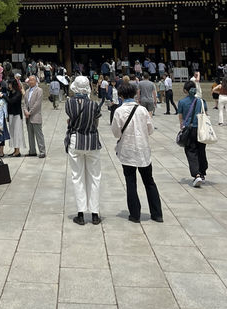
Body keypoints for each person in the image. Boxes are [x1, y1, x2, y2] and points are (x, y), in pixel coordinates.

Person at [111, 81, 163, 223]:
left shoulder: (119, 111)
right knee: (149, 182)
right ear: (134, 94)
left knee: (131, 182)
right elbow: (150, 129)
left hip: (127, 151)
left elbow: (116, 133)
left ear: (120, 95)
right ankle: (157, 214)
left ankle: (135, 214)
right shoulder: (142, 110)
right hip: (143, 150)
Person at [64, 75, 102, 225]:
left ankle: (80, 213)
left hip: (75, 140)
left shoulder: (69, 103)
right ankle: (94, 214)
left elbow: (71, 119)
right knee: (94, 177)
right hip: (92, 141)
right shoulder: (94, 105)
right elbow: (96, 123)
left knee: (77, 176)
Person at [177, 80, 208, 187]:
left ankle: (197, 174)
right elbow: (206, 114)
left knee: (191, 151)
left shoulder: (182, 102)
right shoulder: (201, 101)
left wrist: (182, 127)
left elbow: (181, 117)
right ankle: (202, 172)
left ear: (185, 90)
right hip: (201, 129)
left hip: (189, 130)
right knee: (201, 150)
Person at [23, 74, 46, 158]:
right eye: (29, 80)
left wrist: (30, 112)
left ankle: (42, 151)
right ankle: (32, 151)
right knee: (30, 135)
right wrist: (25, 111)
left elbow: (37, 104)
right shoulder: (27, 91)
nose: (30, 81)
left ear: (36, 81)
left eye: (32, 80)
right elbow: (24, 103)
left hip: (35, 116)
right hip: (28, 117)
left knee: (39, 134)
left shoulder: (39, 90)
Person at [6, 75, 25, 157]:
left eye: (10, 84)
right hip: (11, 114)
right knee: (12, 133)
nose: (8, 85)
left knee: (17, 132)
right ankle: (14, 150)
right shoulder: (10, 92)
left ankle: (17, 151)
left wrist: (3, 96)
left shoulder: (18, 93)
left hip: (17, 115)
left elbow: (11, 101)